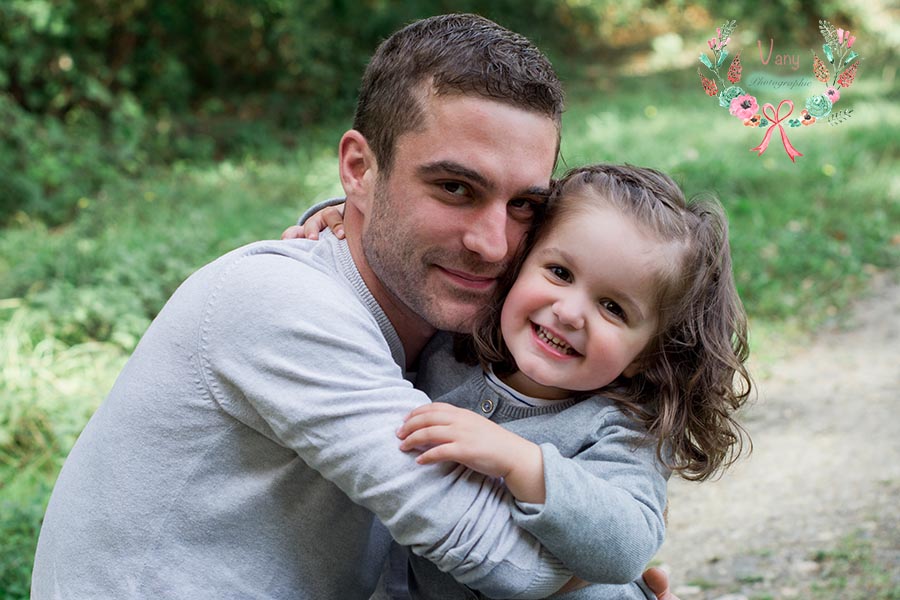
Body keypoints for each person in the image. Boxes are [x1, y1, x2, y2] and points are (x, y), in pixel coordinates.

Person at [31, 13, 680, 600]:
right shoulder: (283, 304)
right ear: (358, 168)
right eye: (454, 188)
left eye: (524, 207)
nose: (491, 244)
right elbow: (514, 568)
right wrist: (600, 576)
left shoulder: (435, 325)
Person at [297, 164, 751, 599]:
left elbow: (630, 546)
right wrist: (344, 212)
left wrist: (524, 463)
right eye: (560, 273)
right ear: (517, 264)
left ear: (646, 355)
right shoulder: (454, 346)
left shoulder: (621, 428)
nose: (570, 312)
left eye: (613, 308)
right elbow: (403, 258)